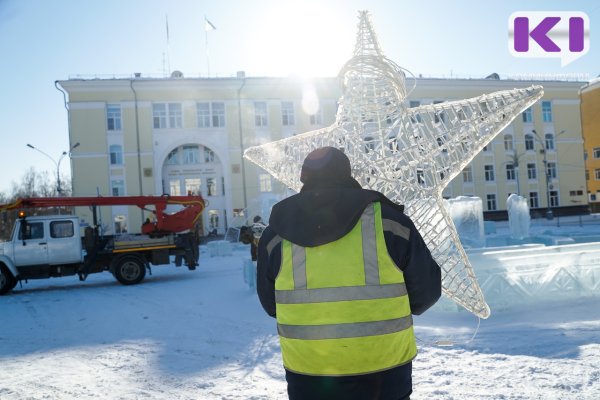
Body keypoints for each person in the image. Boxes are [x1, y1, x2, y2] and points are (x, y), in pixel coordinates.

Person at [256, 146, 441, 400]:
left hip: (309, 378)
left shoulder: (275, 235)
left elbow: (271, 305)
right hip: (385, 377)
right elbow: (426, 294)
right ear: (347, 174)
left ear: (304, 177)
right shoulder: (390, 224)